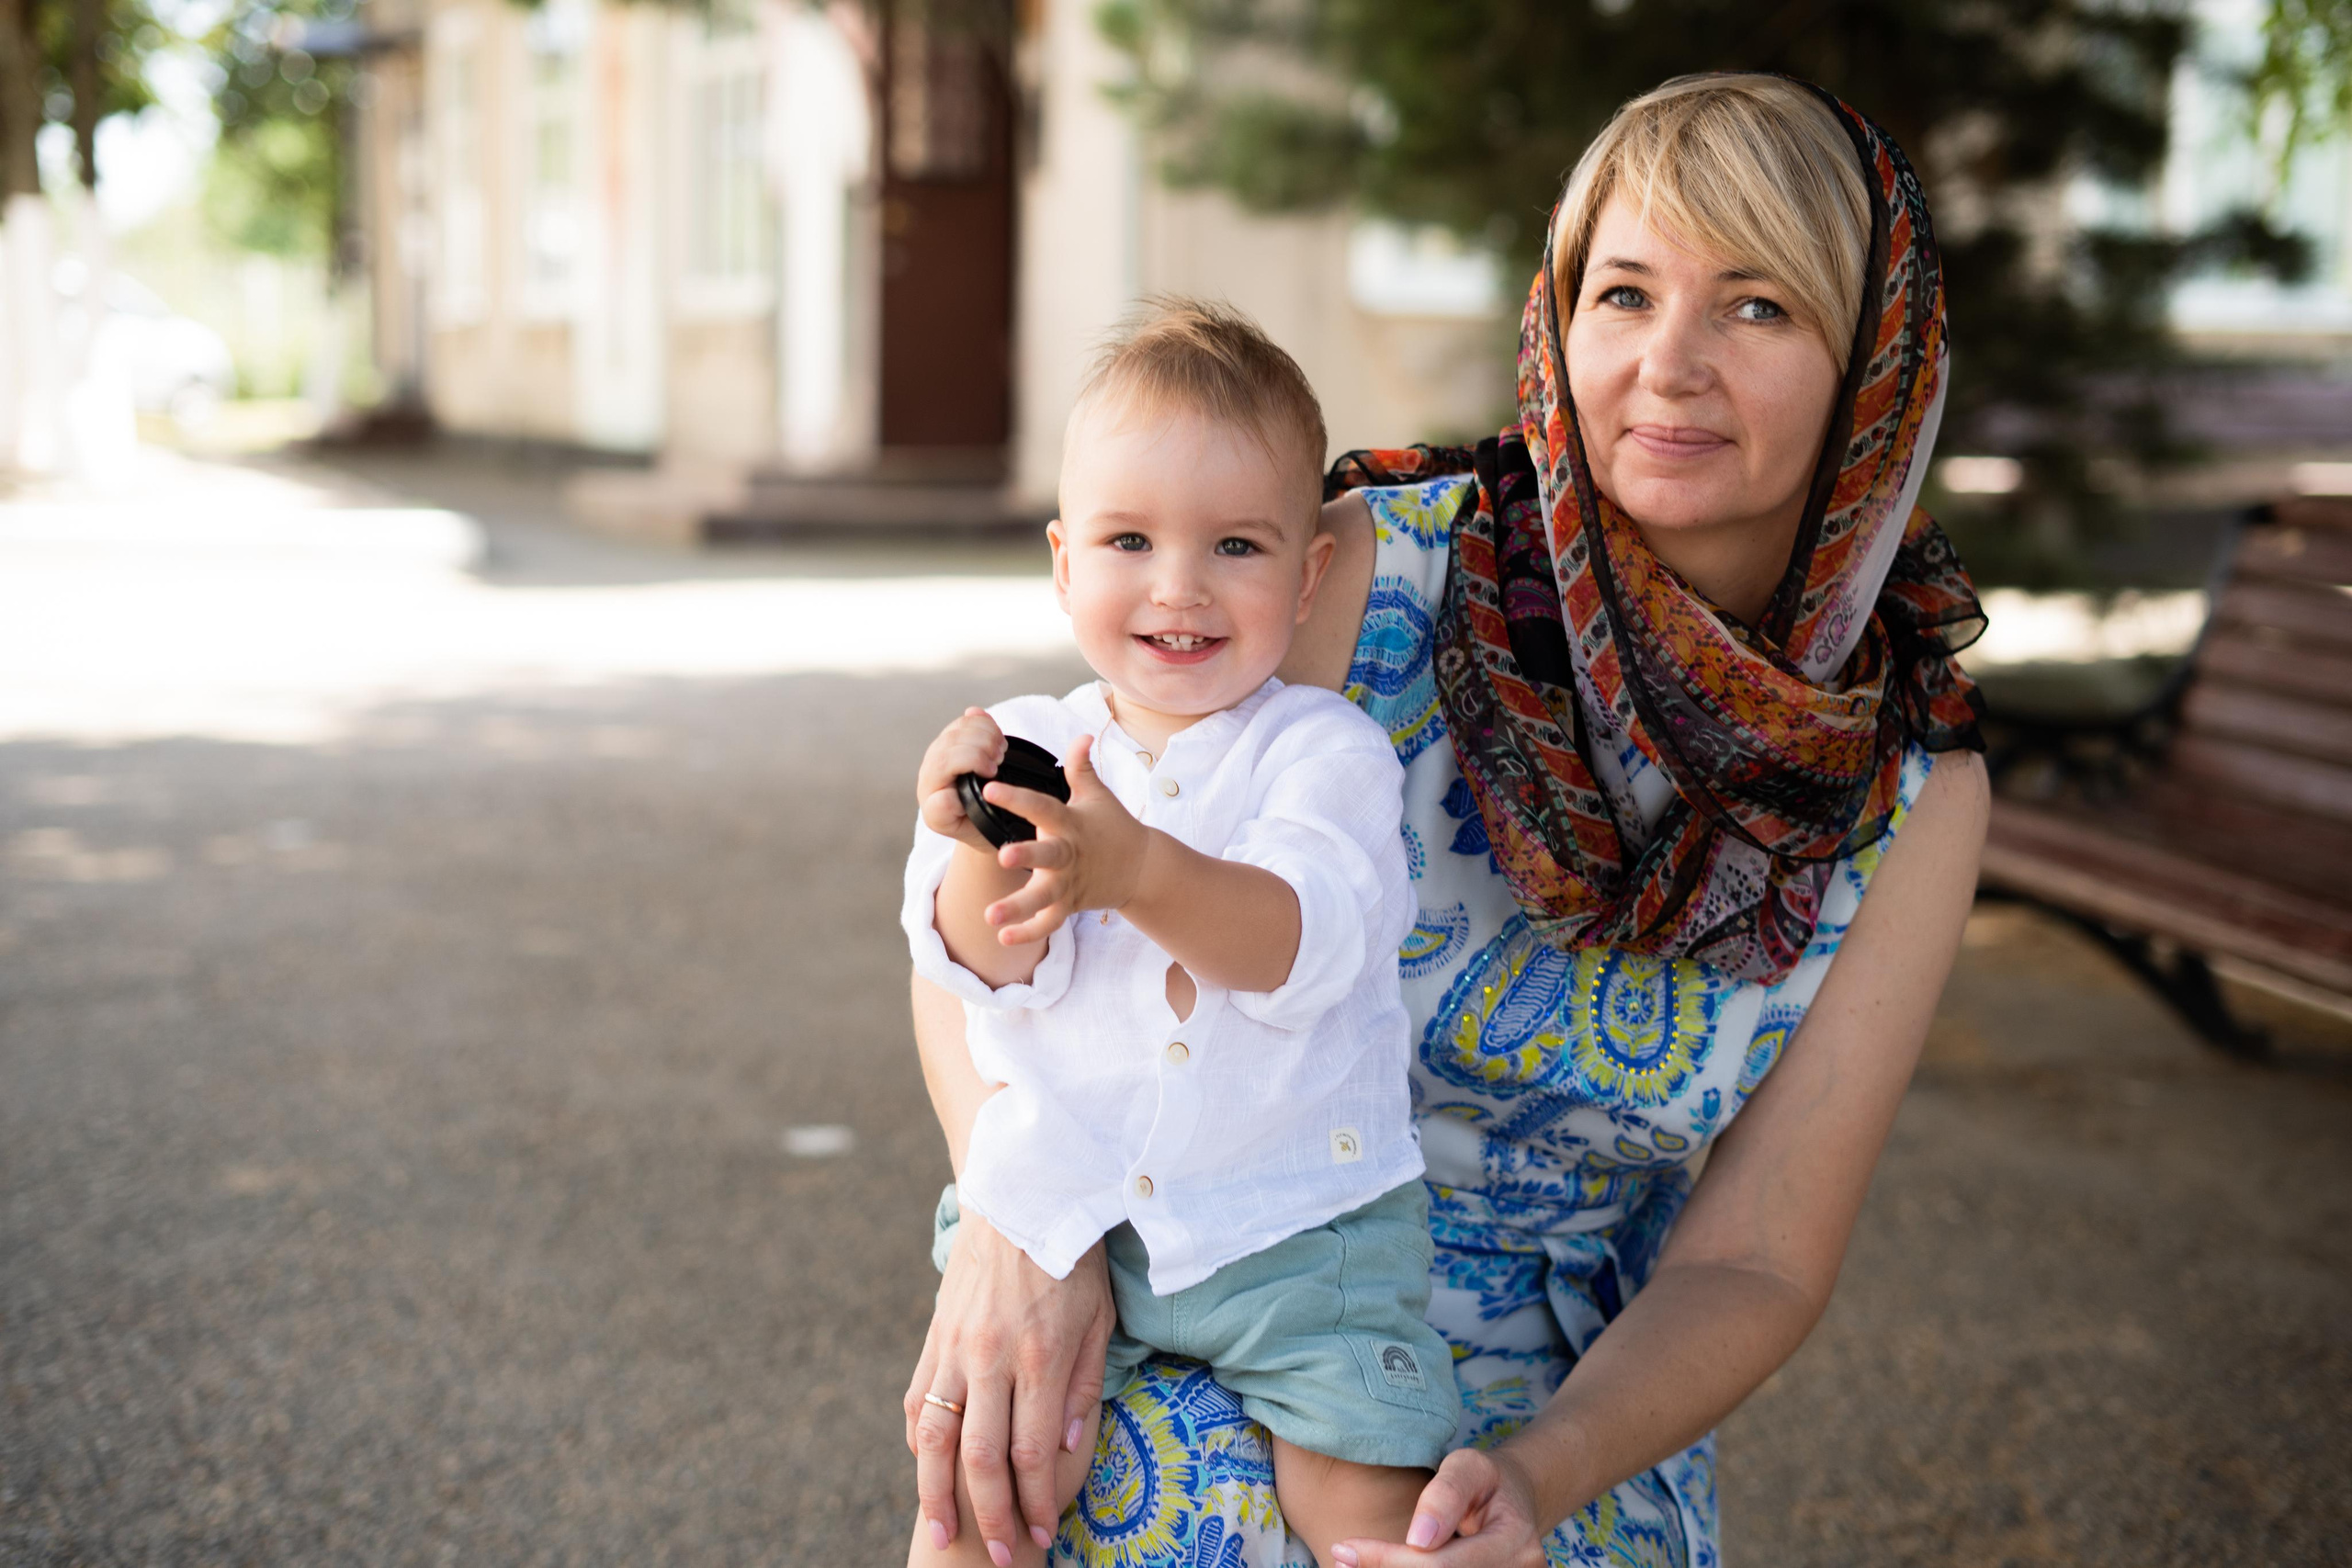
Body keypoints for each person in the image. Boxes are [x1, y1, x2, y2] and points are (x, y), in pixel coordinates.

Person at [905, 73, 1992, 1567]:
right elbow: (1017, 909)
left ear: (1872, 366)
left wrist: (1542, 1478)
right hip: (1200, 1251)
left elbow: (1755, 1259)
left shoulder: (1912, 789)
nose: (1667, 365)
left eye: (1758, 308)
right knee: (1099, 1496)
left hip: (1566, 1399)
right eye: (1624, 293)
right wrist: (1031, 1220)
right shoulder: (1359, 578)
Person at [901, 299, 1462, 1568]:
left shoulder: (1323, 753)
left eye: (1237, 548)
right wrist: (972, 847)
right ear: (1061, 562)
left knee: (1375, 1512)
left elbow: (1296, 943)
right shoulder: (1032, 746)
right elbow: (981, 966)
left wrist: (1141, 869)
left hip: (1296, 1231)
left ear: (1311, 573)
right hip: (1066, 1206)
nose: (1178, 588)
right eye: (1129, 540)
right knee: (978, 1497)